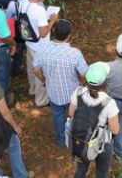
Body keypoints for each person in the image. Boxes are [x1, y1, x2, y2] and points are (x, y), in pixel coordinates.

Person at [33, 19, 88, 147]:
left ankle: (61, 140)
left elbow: (35, 69)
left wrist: (44, 80)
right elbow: (84, 73)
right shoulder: (74, 54)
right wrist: (79, 79)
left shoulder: (42, 49)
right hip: (72, 93)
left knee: (58, 116)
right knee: (74, 115)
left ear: (53, 31)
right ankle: (75, 137)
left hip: (53, 92)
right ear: (69, 36)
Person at [68, 62, 120, 178]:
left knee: (80, 168)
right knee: (102, 171)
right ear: (105, 82)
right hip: (102, 143)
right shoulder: (109, 103)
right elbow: (115, 130)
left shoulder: (78, 92)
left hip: (81, 138)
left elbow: (71, 113)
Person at [20, 0, 58, 107]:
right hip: (40, 47)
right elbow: (43, 33)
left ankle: (32, 90)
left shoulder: (23, 3)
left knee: (31, 68)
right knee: (40, 73)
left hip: (29, 43)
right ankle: (41, 100)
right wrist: (52, 21)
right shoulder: (39, 11)